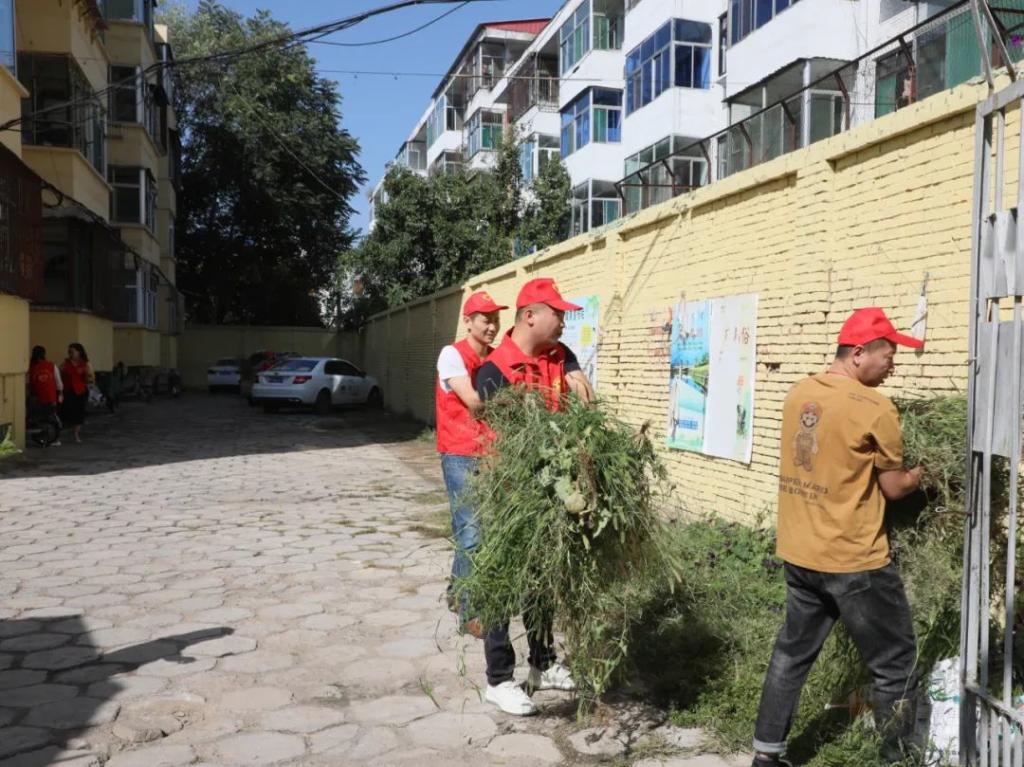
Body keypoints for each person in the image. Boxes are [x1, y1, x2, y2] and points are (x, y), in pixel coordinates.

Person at [750, 307, 926, 767]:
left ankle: (766, 755)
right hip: (855, 561)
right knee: (895, 665)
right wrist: (921, 474)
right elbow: (893, 487)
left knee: (791, 654)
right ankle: (900, 759)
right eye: (888, 356)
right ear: (859, 353)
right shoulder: (876, 407)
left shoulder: (799, 393)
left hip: (800, 552)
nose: (892, 366)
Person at [473, 277, 588, 716]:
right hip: (511, 494)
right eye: (558, 314)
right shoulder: (494, 373)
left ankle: (542, 664)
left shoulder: (559, 355)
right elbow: (520, 440)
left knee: (541, 581)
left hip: (551, 489)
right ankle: (499, 679)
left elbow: (577, 385)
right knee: (502, 583)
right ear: (530, 316)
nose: (564, 322)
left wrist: (575, 371)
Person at [435, 290, 508, 639]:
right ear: (468, 322)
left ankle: (455, 590)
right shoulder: (452, 355)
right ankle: (469, 613)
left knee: (472, 528)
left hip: (488, 453)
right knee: (471, 532)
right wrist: (509, 401)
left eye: (496, 320)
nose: (492, 326)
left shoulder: (495, 358)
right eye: (485, 320)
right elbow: (475, 403)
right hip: (460, 453)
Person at [27, 346, 63, 446]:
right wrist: (60, 393)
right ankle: (54, 439)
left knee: (39, 418)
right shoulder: (51, 365)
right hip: (50, 397)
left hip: (37, 397)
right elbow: (58, 381)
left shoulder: (31, 367)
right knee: (51, 417)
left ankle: (45, 437)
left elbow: (28, 382)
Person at [60, 343, 94, 444]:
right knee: (66, 411)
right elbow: (60, 374)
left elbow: (89, 380)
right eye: (69, 352)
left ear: (79, 352)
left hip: (80, 391)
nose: (70, 354)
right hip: (68, 390)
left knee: (79, 414)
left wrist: (86, 373)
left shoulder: (85, 363)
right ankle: (66, 431)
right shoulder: (65, 363)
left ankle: (76, 434)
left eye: (72, 352)